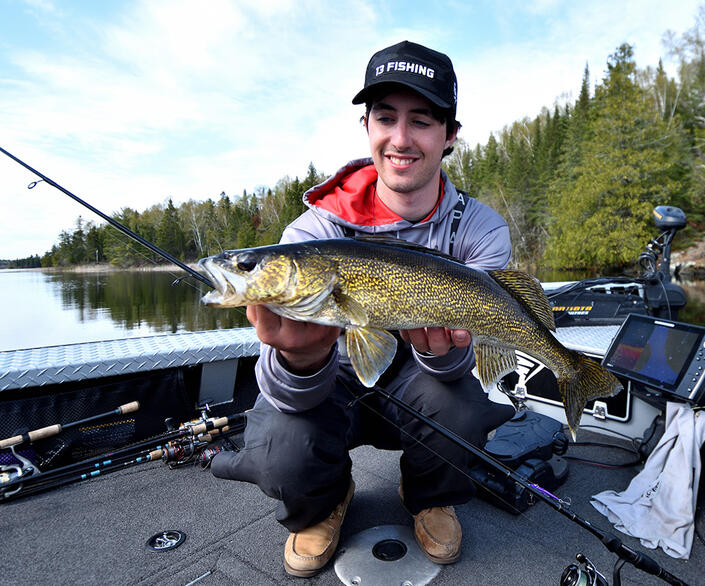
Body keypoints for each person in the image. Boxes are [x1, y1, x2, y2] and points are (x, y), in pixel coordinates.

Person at [211, 40, 515, 577]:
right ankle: (325, 500)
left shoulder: (480, 229)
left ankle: (429, 497)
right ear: (367, 127)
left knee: (465, 406)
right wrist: (300, 361)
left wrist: (445, 354)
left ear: (449, 136)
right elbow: (278, 389)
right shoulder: (314, 232)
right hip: (335, 385)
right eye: (385, 117)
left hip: (420, 380)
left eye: (420, 120)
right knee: (278, 443)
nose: (400, 138)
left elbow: (461, 368)